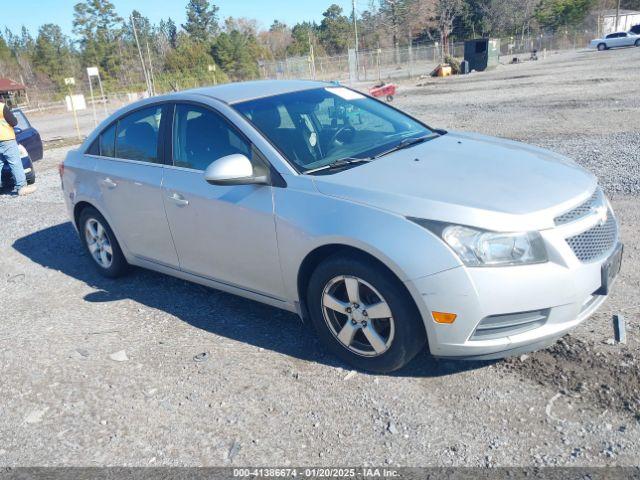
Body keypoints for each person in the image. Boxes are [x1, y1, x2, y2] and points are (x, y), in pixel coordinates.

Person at [0, 100, 36, 196]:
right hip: (6, 139)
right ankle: (21, 187)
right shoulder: (1, 107)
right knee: (15, 162)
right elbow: (14, 122)